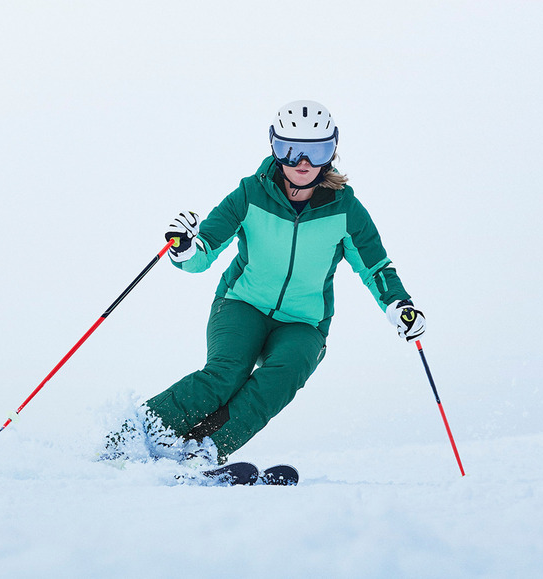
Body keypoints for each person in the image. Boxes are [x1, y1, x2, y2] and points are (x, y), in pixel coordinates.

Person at [102, 100, 425, 466]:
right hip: (242, 304)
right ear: (274, 148)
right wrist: (185, 249)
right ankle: (135, 435)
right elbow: (203, 251)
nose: (303, 164)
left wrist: (398, 304)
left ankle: (202, 450)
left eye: (316, 151)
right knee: (225, 374)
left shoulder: (345, 209)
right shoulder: (250, 194)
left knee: (279, 379)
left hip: (303, 321)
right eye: (290, 150)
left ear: (333, 151)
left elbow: (376, 266)